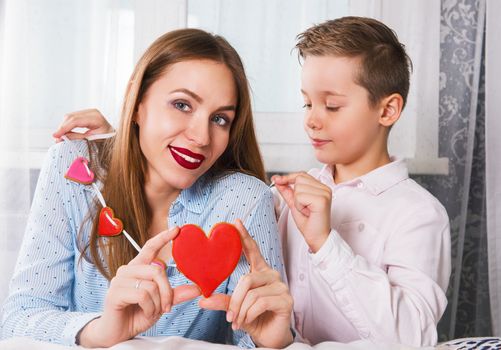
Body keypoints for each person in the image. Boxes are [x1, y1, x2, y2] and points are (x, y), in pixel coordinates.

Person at [52, 16, 451, 347]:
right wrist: (121, 146)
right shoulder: (283, 196)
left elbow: (412, 338)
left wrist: (326, 245)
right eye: (307, 102)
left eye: (331, 105)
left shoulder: (417, 214)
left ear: (389, 109)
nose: (312, 119)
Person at [0, 28, 293, 349]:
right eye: (182, 105)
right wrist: (102, 331)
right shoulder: (73, 165)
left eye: (220, 119)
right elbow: (19, 319)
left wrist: (272, 341)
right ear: (136, 102)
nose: (201, 137)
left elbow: (253, 335)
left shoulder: (244, 198)